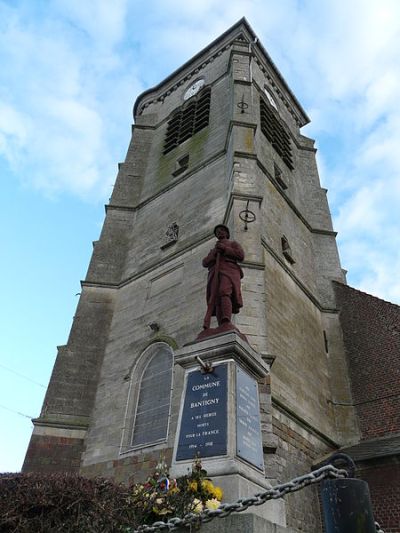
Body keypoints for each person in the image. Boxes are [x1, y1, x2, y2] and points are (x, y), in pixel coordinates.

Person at [202, 225, 245, 328]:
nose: (220, 232)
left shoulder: (233, 244)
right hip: (215, 274)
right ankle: (221, 324)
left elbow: (240, 255)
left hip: (229, 271)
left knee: (224, 292)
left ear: (227, 233)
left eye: (222, 231)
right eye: (217, 232)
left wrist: (225, 249)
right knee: (216, 299)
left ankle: (226, 319)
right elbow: (205, 262)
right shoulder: (213, 250)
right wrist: (214, 253)